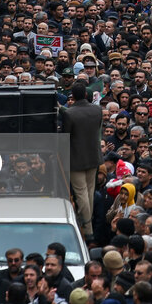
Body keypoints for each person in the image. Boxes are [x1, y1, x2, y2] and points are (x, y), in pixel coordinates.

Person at [61, 80, 103, 240]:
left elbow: (66, 136)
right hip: (93, 156)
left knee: (81, 193)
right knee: (89, 191)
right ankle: (87, 223)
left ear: (73, 96)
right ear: (86, 95)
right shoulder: (97, 110)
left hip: (76, 158)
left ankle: (88, 229)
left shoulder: (69, 113)